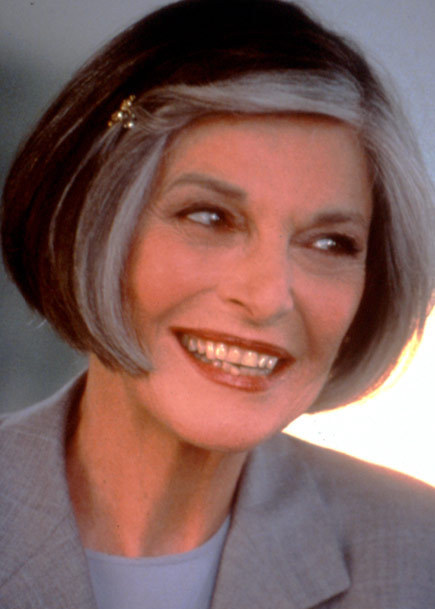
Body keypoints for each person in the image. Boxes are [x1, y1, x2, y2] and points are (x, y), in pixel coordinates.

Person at [1, 0, 435, 607]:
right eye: (209, 217)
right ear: (88, 224)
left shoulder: (419, 553)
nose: (268, 297)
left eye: (329, 243)